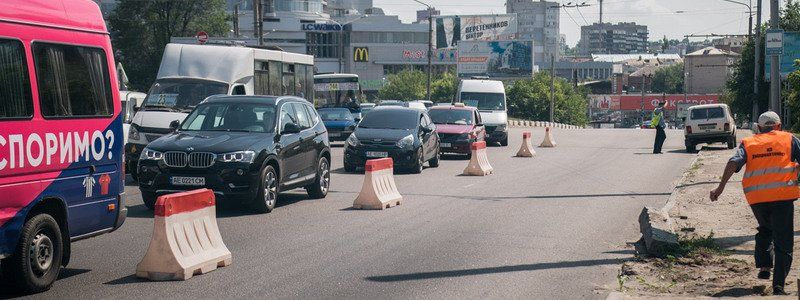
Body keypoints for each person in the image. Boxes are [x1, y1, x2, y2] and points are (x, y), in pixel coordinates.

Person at [709, 111, 800, 295]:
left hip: (757, 199)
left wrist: (720, 188)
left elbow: (733, 163)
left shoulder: (749, 143)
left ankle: (765, 266)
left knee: (766, 228)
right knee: (784, 241)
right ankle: (778, 287)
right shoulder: (789, 139)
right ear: (779, 126)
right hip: (782, 197)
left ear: (758, 128)